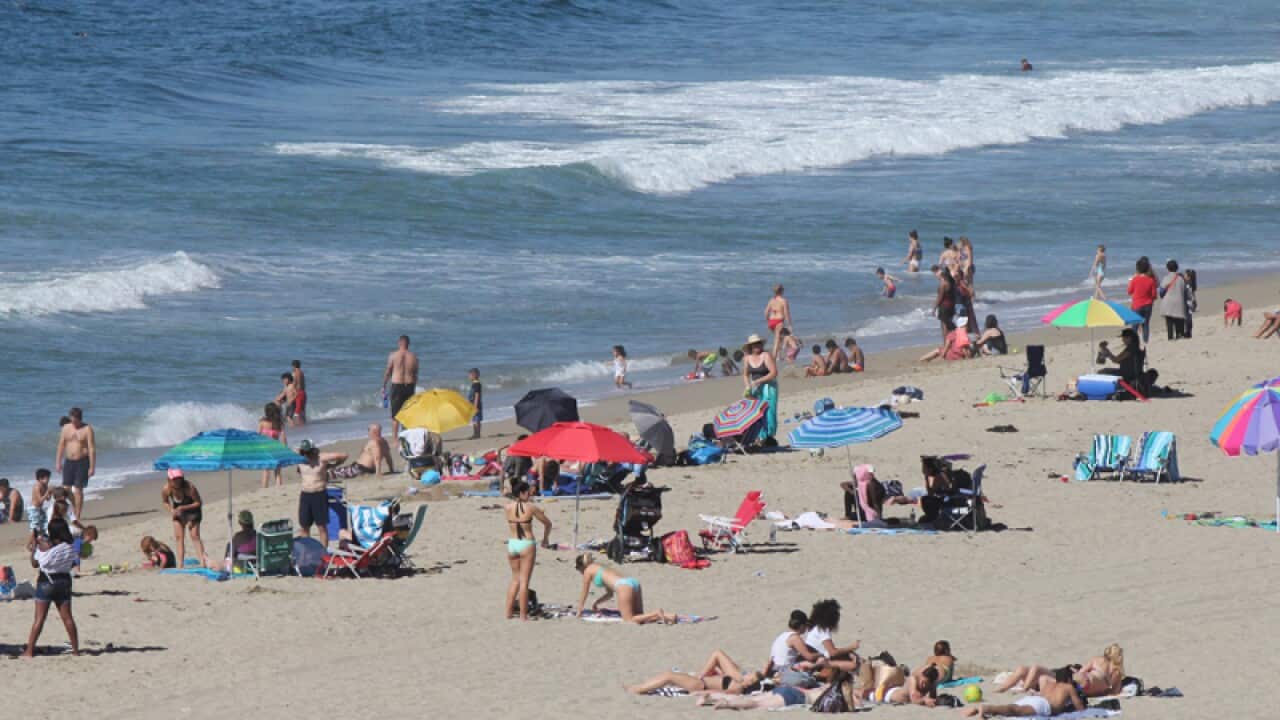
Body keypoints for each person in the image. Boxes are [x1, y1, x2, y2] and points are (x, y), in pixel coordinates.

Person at [23, 518, 80, 657]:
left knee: (39, 618)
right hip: (64, 581)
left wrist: (36, 548)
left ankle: (29, 651)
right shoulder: (70, 546)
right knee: (67, 618)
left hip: (46, 582)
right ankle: (76, 650)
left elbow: (36, 563)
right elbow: (72, 563)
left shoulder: (49, 548)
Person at [574, 552, 674, 624]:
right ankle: (668, 616)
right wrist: (597, 603)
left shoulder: (588, 570)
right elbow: (610, 594)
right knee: (639, 617)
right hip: (633, 583)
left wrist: (579, 611)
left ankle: (657, 612)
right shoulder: (600, 567)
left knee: (629, 620)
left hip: (623, 586)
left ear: (582, 566)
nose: (581, 573)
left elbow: (584, 592)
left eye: (579, 570)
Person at [504, 480, 552, 621]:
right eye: (528, 492)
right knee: (524, 582)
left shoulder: (507, 507)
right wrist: (545, 539)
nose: (530, 494)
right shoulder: (531, 508)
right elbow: (548, 523)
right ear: (522, 493)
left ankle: (508, 613)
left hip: (512, 544)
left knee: (515, 580)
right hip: (526, 543)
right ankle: (523, 615)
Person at [626, 649, 766, 695]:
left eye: (751, 682)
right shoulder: (739, 677)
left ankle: (639, 689)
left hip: (700, 684)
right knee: (668, 675)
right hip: (701, 680)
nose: (748, 682)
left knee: (669, 676)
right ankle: (641, 687)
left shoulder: (738, 687)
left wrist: (702, 678)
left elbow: (716, 693)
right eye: (750, 677)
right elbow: (717, 653)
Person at [296, 439, 346, 549]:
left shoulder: (321, 458)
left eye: (308, 451)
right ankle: (307, 551)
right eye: (305, 452)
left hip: (319, 494)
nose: (307, 454)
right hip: (305, 495)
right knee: (304, 527)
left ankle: (323, 553)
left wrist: (331, 465)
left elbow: (343, 455)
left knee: (321, 527)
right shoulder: (299, 458)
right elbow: (285, 453)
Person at [768, 609, 829, 686]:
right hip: (785, 671)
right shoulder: (795, 638)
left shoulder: (781, 636)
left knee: (802, 661)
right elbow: (809, 656)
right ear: (801, 626)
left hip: (774, 670)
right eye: (806, 625)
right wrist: (821, 653)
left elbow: (770, 660)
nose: (806, 628)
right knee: (820, 661)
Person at [969, 678, 1085, 717]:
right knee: (1015, 710)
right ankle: (986, 709)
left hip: (1033, 699)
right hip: (1042, 705)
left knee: (1013, 709)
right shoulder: (1069, 687)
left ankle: (983, 712)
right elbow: (1081, 710)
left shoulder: (1050, 683)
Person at [54, 407, 94, 520]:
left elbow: (91, 448)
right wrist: (58, 462)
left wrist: (92, 466)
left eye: (76, 421)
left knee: (78, 490)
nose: (74, 423)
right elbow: (61, 445)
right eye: (72, 420)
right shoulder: (66, 428)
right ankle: (74, 506)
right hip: (69, 461)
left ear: (80, 419)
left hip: (82, 461)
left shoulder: (87, 429)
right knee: (65, 489)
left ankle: (77, 514)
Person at [161, 469, 206, 568]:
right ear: (169, 479)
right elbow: (165, 502)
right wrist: (171, 510)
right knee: (179, 537)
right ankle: (180, 564)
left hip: (193, 511)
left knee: (194, 536)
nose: (177, 481)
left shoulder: (189, 487)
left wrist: (183, 508)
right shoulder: (166, 489)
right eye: (175, 479)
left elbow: (198, 502)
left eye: (179, 478)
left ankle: (203, 562)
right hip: (179, 513)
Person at [804, 599, 861, 673]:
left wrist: (847, 652)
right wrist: (851, 648)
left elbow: (829, 649)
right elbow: (832, 652)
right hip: (817, 661)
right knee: (852, 665)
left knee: (849, 655)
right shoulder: (823, 630)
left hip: (814, 656)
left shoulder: (815, 627)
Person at [741, 334, 779, 442]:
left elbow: (774, 373)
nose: (757, 346)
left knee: (769, 411)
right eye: (754, 345)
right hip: (755, 388)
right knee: (757, 412)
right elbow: (745, 374)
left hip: (769, 386)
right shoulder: (747, 358)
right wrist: (747, 386)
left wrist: (759, 381)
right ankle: (760, 436)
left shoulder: (766, 355)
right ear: (750, 347)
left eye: (758, 344)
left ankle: (769, 436)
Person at [383, 335, 419, 439]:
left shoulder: (393, 355)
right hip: (409, 386)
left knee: (395, 416)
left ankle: (395, 439)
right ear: (408, 344)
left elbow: (388, 371)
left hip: (397, 386)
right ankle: (406, 437)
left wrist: (384, 385)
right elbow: (415, 374)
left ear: (399, 343)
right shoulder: (413, 356)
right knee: (407, 414)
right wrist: (413, 387)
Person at [1127, 257, 1157, 343]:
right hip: (1148, 305)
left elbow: (1129, 291)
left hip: (1137, 305)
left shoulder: (1135, 279)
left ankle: (1133, 342)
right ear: (1147, 268)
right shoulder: (1151, 280)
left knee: (1135, 325)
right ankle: (1145, 341)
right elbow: (1154, 295)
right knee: (1146, 324)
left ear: (1137, 269)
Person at [258, 403, 287, 487]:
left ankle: (264, 488)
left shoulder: (262, 422)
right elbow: (283, 438)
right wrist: (285, 449)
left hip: (265, 449)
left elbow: (258, 436)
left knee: (266, 470)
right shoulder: (278, 424)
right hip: (276, 449)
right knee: (277, 471)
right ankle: (279, 487)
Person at [1158, 259, 1188, 341]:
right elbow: (1185, 291)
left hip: (1168, 303)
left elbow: (1161, 292)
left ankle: (1170, 338)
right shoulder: (1181, 279)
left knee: (1169, 322)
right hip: (1179, 302)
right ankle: (1179, 335)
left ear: (1167, 268)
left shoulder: (1166, 278)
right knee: (1179, 321)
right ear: (1177, 268)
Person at [764, 284, 793, 359]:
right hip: (779, 321)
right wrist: (789, 325)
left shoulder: (771, 300)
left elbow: (766, 312)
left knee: (780, 338)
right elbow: (786, 313)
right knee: (776, 341)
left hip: (771, 321)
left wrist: (768, 321)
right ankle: (773, 359)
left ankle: (780, 356)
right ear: (781, 291)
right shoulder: (783, 301)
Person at [27, 468, 52, 541]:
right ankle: (30, 542)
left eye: (49, 478)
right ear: (40, 478)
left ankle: (40, 539)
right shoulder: (37, 486)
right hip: (33, 509)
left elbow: (48, 499)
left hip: (40, 508)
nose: (48, 480)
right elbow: (40, 500)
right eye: (47, 478)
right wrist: (47, 492)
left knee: (44, 524)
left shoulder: (45, 485)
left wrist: (50, 492)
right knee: (34, 526)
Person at [933, 265, 957, 342]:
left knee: (944, 327)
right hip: (951, 306)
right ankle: (954, 341)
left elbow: (940, 298)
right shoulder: (952, 282)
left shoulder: (943, 284)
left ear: (943, 274)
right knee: (949, 325)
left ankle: (946, 344)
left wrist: (934, 308)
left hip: (944, 307)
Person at [290, 359, 307, 424]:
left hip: (298, 393)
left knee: (297, 413)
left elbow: (295, 383)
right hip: (303, 393)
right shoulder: (301, 372)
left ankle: (297, 427)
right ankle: (304, 425)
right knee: (302, 411)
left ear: (293, 366)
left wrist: (293, 394)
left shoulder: (296, 373)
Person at [1182, 268, 1198, 339]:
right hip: (1191, 302)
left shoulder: (1187, 284)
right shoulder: (1192, 283)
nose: (1183, 276)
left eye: (1184, 275)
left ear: (1188, 276)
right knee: (1189, 317)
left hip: (1187, 302)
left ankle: (1188, 332)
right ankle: (1189, 332)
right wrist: (1195, 302)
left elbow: (1188, 294)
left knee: (1187, 318)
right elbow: (1193, 294)